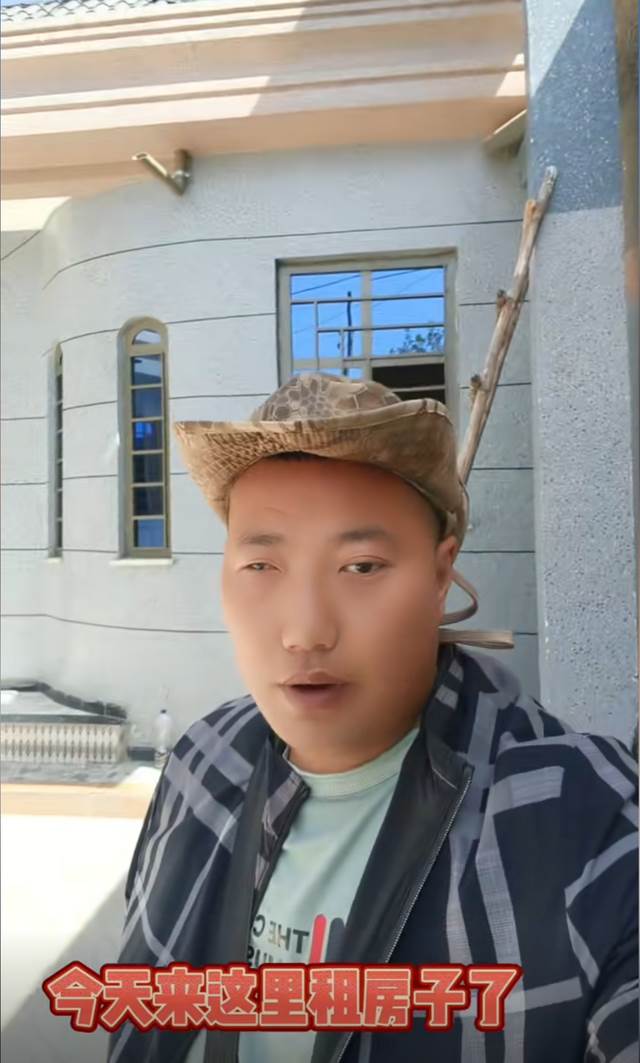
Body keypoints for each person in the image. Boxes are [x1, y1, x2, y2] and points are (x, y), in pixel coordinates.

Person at [107, 373, 638, 1063]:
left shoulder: (585, 824)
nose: (304, 632)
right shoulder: (202, 763)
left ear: (441, 574)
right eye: (262, 565)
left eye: (360, 566)